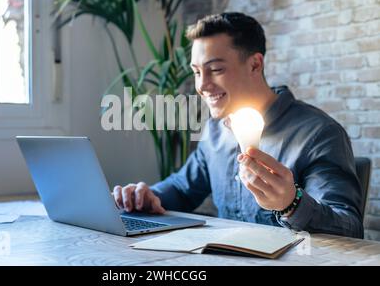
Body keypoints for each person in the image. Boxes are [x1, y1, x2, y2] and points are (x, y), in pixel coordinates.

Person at [113, 12, 364, 238]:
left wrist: (291, 203)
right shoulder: (215, 131)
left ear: (255, 64)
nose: (201, 85)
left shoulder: (318, 133)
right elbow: (181, 188)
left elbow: (349, 228)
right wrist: (146, 196)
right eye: (197, 72)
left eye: (216, 69)